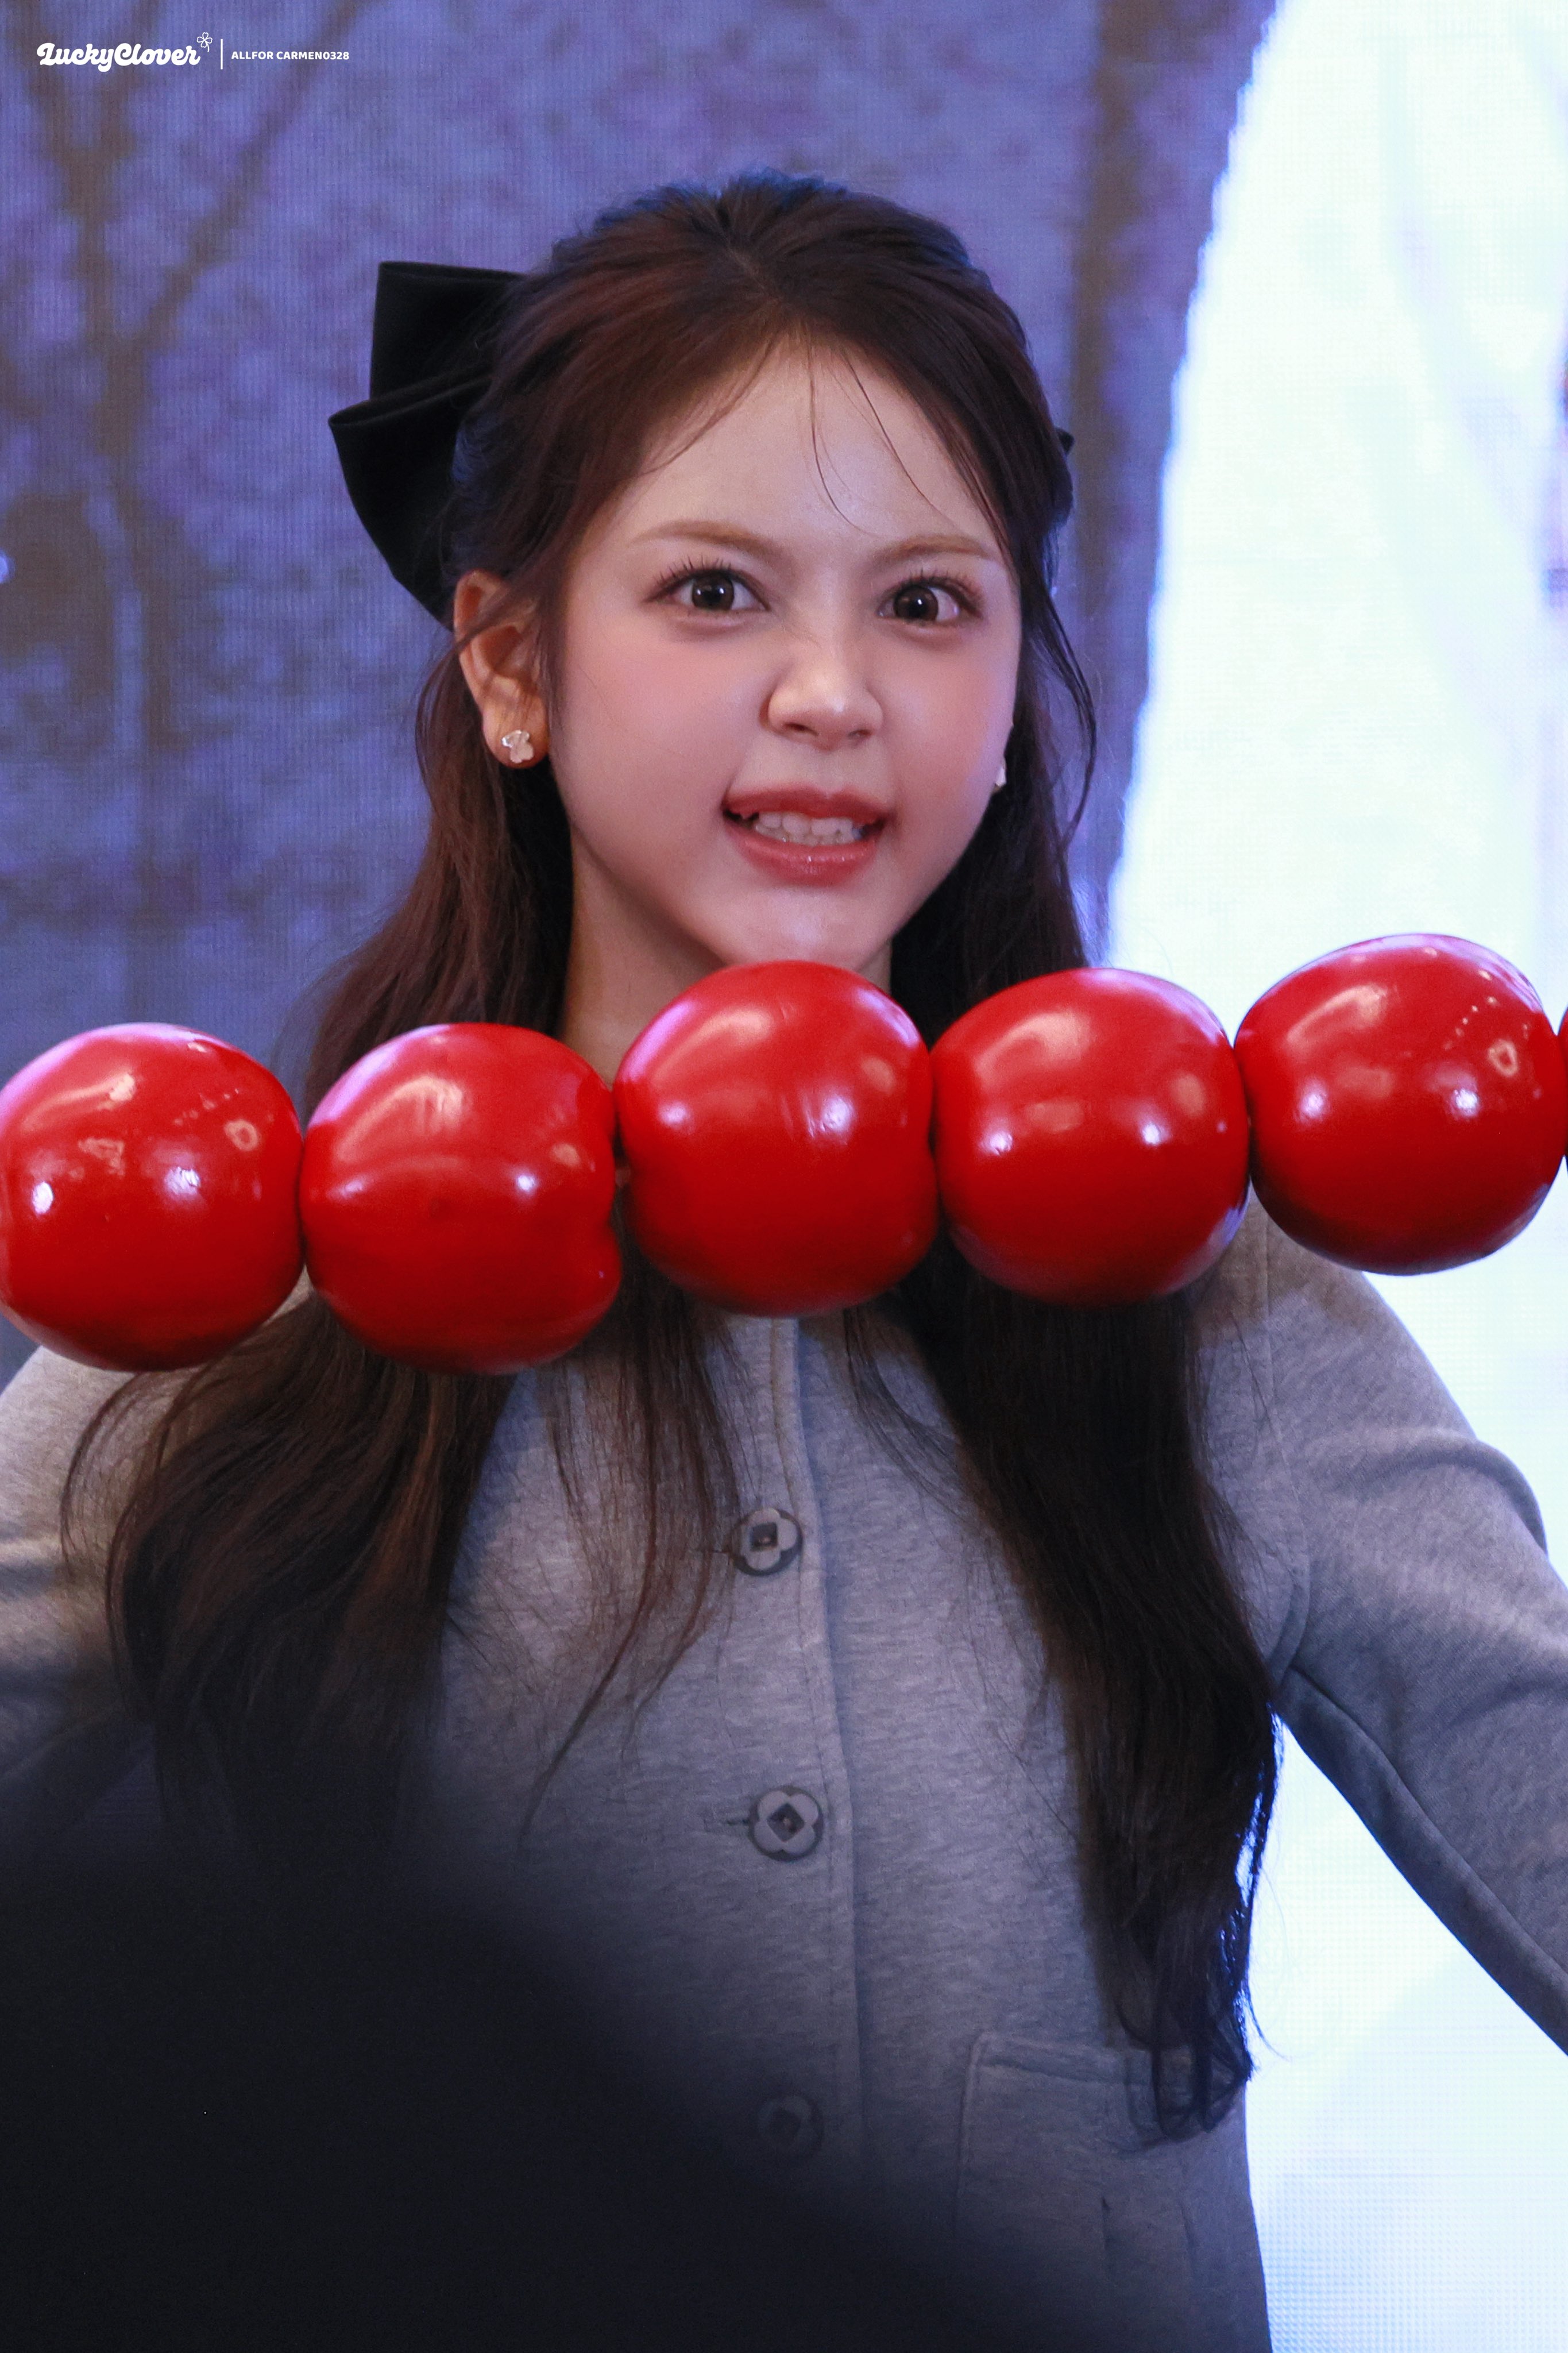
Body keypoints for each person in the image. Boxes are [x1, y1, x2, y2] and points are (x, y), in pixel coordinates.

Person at [2, 170, 1566, 2353]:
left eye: (927, 603)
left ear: (1012, 687)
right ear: (510, 662)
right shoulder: (241, 1318)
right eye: (716, 592)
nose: (833, 693)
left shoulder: (1217, 1316)